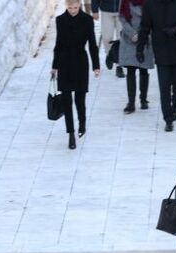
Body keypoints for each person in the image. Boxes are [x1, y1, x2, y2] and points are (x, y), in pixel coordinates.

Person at [138, 0, 176, 131]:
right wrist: (140, 48)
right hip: (161, 50)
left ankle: (175, 105)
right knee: (164, 86)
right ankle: (168, 118)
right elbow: (145, 26)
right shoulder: (150, 4)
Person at [52, 0, 100, 149]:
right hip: (65, 63)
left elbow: (92, 44)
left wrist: (96, 66)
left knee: (80, 99)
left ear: (79, 5)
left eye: (75, 7)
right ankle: (71, 134)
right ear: (66, 6)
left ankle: (82, 123)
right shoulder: (60, 20)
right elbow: (58, 44)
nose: (73, 10)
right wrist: (54, 66)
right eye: (70, 8)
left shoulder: (86, 20)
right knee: (67, 101)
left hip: (80, 62)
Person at [118, 0, 155, 112]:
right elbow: (122, 17)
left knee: (143, 70)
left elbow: (153, 17)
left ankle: (143, 99)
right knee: (130, 70)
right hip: (129, 39)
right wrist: (132, 33)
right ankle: (131, 102)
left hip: (145, 37)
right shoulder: (124, 1)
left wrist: (143, 34)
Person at [92, 0, 125, 77]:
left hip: (122, 11)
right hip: (106, 11)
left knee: (121, 39)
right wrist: (94, 10)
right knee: (107, 37)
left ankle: (119, 66)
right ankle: (109, 55)